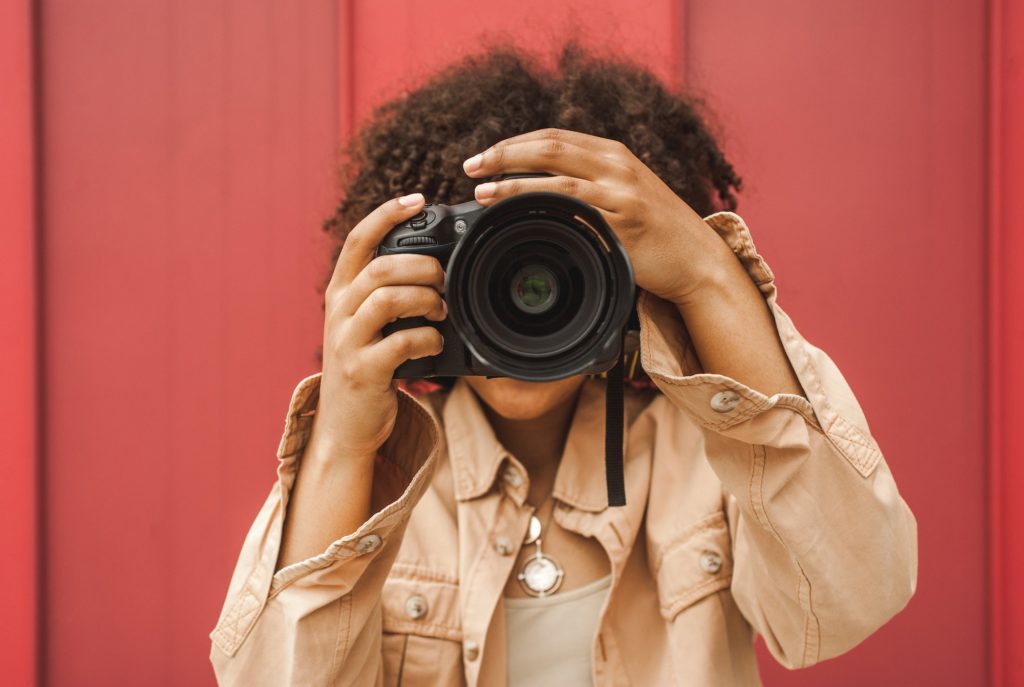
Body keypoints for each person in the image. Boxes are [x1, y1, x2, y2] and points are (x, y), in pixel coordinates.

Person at [209, 41, 917, 686]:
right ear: (428, 270)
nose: (525, 303)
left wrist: (707, 273)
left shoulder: (710, 458)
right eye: (486, 268)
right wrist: (341, 436)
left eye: (554, 266)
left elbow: (852, 596)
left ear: (628, 272)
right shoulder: (380, 491)